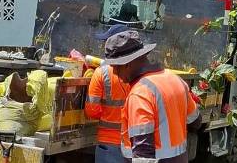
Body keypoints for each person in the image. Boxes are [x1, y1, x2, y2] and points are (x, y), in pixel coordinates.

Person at [104, 30, 202, 163]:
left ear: (127, 64)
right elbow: (195, 121)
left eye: (116, 68)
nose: (115, 73)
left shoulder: (140, 93)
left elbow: (143, 151)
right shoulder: (175, 79)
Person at [86, 25, 131, 163]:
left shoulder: (101, 73)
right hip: (132, 143)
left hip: (108, 144)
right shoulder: (137, 71)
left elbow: (91, 111)